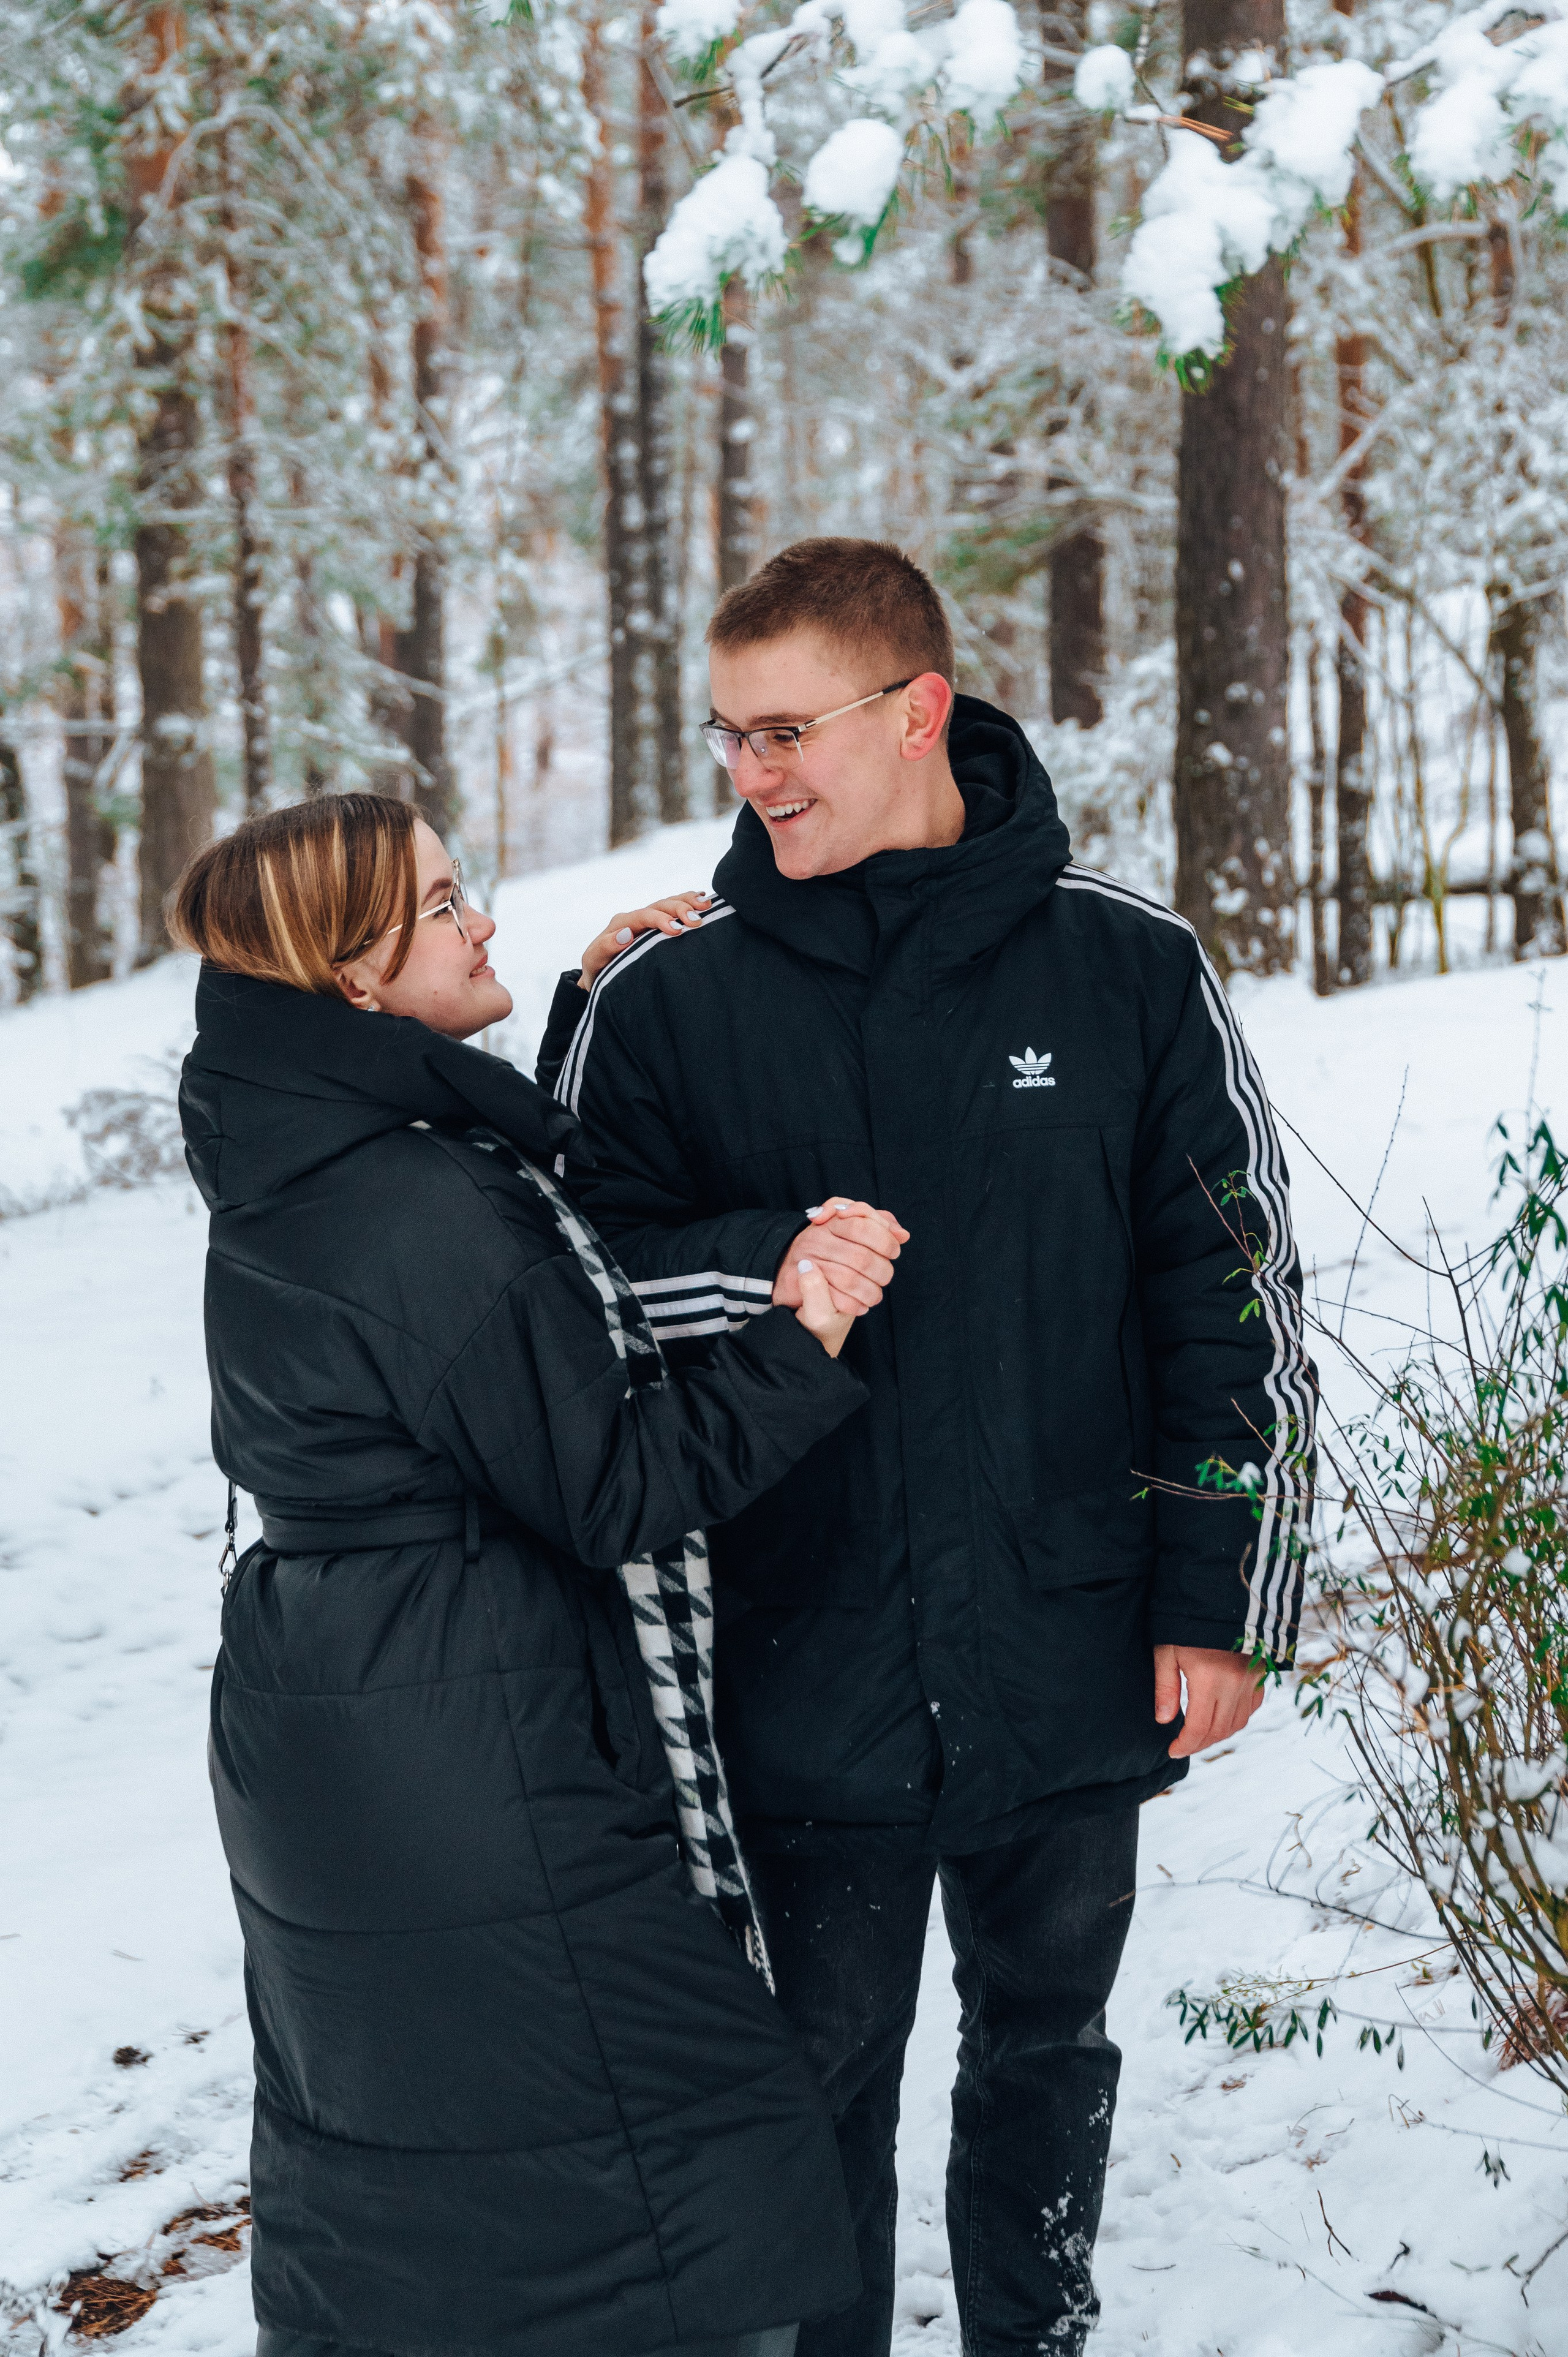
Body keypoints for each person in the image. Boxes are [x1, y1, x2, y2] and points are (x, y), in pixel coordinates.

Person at [537, 538, 1315, 2357]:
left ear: (921, 712)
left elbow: (1231, 1293)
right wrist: (761, 1269)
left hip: (1066, 1636)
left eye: (790, 729)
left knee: (1048, 2051)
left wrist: (1220, 1602)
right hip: (799, 1666)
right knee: (817, 2084)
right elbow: (565, 1298)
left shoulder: (1126, 966)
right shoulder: (673, 1002)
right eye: (731, 737)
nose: (757, 775)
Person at [172, 791, 885, 2357]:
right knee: (671, 2152)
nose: (477, 917)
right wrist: (803, 1330)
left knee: (434, 2146)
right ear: (356, 980)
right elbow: (614, 1479)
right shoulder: (415, 1206)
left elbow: (499, 1290)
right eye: (441, 907)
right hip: (470, 1727)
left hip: (344, 1712)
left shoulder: (306, 1151)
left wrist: (580, 1008)